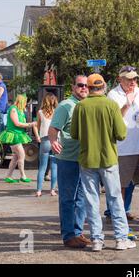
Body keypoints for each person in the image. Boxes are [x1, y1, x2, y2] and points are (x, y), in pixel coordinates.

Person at [71, 73, 136, 252]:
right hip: (108, 159)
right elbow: (121, 134)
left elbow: (74, 134)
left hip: (87, 159)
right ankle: (121, 239)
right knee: (115, 199)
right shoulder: (111, 105)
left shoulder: (81, 106)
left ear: (89, 88)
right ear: (104, 86)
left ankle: (97, 240)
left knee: (91, 201)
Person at [107, 65, 139, 237]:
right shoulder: (113, 95)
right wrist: (127, 104)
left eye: (135, 78)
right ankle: (122, 228)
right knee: (120, 189)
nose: (133, 82)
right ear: (119, 79)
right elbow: (114, 120)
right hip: (123, 149)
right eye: (129, 79)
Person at [49, 75, 90, 249]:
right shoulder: (66, 106)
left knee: (82, 198)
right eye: (80, 85)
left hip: (85, 159)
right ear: (73, 87)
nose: (84, 88)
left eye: (87, 86)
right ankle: (68, 235)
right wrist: (53, 141)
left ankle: (78, 231)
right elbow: (53, 129)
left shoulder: (88, 105)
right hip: (68, 159)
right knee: (67, 199)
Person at [0, 94, 36, 183]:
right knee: (21, 155)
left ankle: (8, 176)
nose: (26, 104)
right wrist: (30, 124)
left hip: (18, 135)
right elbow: (17, 123)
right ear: (21, 101)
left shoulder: (19, 110)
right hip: (14, 135)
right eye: (25, 102)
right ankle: (23, 176)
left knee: (15, 157)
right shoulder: (13, 109)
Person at [33, 93, 58, 197]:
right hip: (56, 141)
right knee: (54, 167)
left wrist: (37, 136)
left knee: (42, 167)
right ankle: (52, 190)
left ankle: (39, 191)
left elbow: (37, 126)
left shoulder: (40, 112)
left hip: (45, 140)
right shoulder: (57, 112)